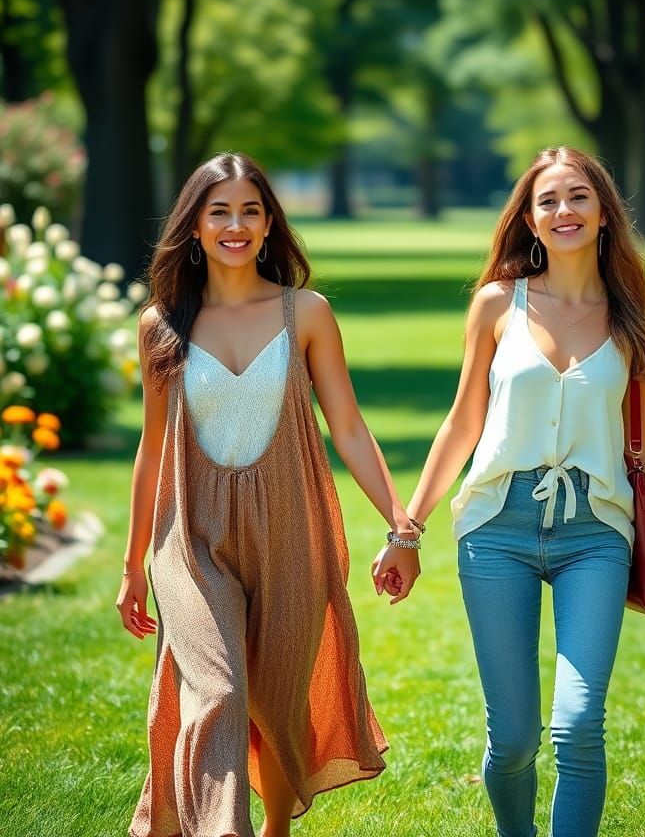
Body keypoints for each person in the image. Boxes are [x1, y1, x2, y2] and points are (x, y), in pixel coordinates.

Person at [117, 152, 420, 837]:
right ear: (193, 226)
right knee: (220, 691)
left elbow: (346, 424)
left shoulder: (305, 313)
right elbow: (150, 449)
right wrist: (134, 563)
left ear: (268, 224)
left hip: (292, 530)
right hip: (190, 539)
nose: (235, 224)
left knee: (279, 702)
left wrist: (399, 521)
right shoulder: (160, 324)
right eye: (219, 211)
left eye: (250, 211)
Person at [401, 145, 645, 837]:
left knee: (578, 725)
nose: (564, 211)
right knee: (513, 743)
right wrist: (407, 528)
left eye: (578, 198)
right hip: (495, 530)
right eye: (548, 201)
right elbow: (463, 420)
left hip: (595, 534)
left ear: (603, 215)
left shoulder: (636, 318)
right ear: (530, 221)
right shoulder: (497, 305)